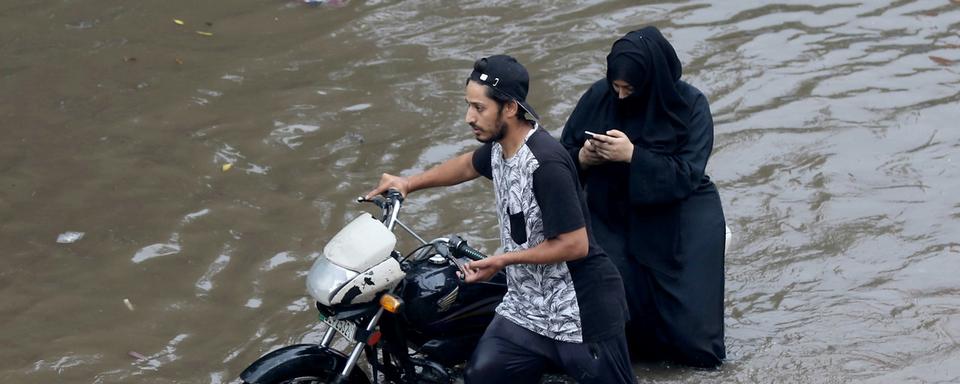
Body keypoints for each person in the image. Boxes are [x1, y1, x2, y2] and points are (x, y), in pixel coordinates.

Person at [366, 55, 636, 384]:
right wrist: (408, 183)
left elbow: (575, 245)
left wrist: (502, 260)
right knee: (481, 376)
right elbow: (468, 165)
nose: (469, 117)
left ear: (509, 108)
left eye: (479, 108)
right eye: (469, 106)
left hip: (578, 310)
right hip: (526, 307)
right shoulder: (499, 147)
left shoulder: (546, 164)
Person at [559, 26, 727, 368]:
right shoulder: (597, 97)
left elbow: (687, 172)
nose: (621, 97)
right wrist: (583, 158)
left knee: (693, 341)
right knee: (616, 304)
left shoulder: (691, 106)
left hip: (679, 212)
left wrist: (634, 155)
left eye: (630, 89)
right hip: (613, 210)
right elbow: (562, 156)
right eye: (616, 87)